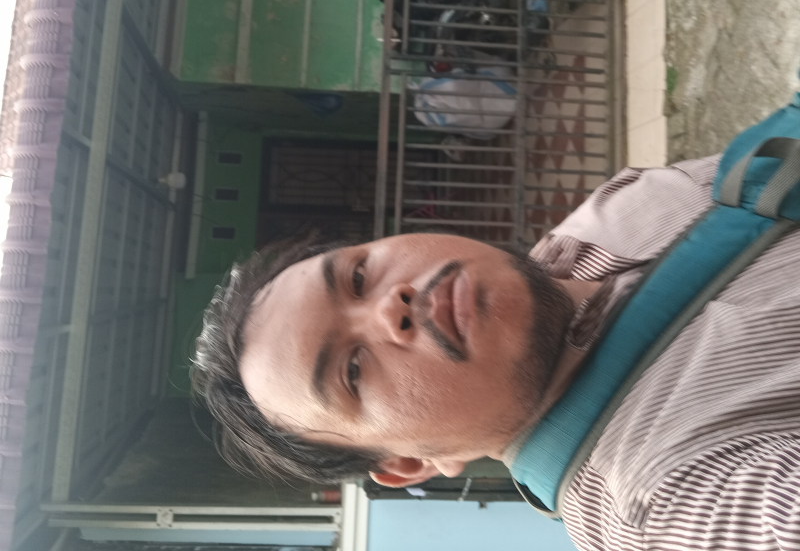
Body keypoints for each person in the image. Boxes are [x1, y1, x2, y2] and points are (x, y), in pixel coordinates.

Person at [192, 154, 800, 551]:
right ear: (407, 464)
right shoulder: (667, 501)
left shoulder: (609, 215)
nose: (389, 307)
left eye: (358, 276)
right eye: (352, 370)